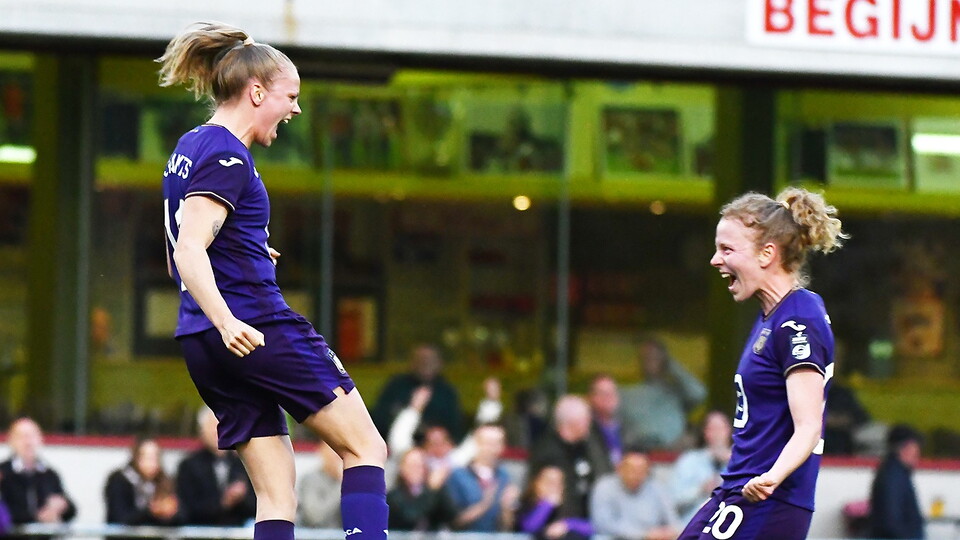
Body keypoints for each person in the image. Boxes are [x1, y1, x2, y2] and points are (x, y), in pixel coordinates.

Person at [158, 22, 388, 540]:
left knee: (276, 493)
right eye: (292, 96)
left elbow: (176, 258)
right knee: (366, 448)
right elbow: (190, 249)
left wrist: (244, 250)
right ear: (258, 93)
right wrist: (228, 320)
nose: (296, 109)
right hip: (253, 327)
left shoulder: (188, 147)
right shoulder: (228, 155)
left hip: (200, 339)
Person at [677, 187, 846, 540]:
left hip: (770, 500)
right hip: (736, 491)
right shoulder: (772, 316)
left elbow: (808, 427)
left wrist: (772, 477)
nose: (715, 260)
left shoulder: (798, 321)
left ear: (767, 253)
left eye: (727, 249)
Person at [528, 395, 612, 519]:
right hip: (560, 521)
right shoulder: (547, 452)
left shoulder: (587, 446)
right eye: (585, 419)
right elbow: (548, 496)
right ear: (571, 423)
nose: (590, 424)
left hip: (589, 518)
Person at [619, 337, 706, 450]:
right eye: (646, 357)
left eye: (655, 357)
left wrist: (670, 364)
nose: (650, 361)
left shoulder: (677, 393)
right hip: (640, 453)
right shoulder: (627, 394)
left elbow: (699, 393)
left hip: (675, 452)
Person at [175, 407, 256, 526]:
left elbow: (257, 505)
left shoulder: (243, 464)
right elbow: (187, 508)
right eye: (212, 426)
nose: (217, 431)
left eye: (221, 425)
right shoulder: (188, 466)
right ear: (201, 431)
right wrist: (224, 502)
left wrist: (241, 498)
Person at [372, 344, 465, 442]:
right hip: (394, 445)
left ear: (439, 363)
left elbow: (455, 428)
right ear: (412, 362)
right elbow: (380, 420)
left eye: (429, 360)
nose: (425, 364)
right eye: (421, 360)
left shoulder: (447, 392)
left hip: (436, 446)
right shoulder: (395, 386)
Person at [0, 418, 76, 528]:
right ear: (11, 441)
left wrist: (63, 506)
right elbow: (5, 513)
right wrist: (37, 517)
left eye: (32, 436)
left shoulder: (49, 474)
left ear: (40, 439)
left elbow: (70, 510)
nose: (28, 442)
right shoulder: (4, 473)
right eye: (21, 437)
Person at [590, 448, 680, 540]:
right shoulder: (604, 487)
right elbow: (603, 525)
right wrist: (644, 534)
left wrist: (669, 532)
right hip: (619, 537)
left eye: (641, 470)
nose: (636, 475)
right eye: (632, 469)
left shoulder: (657, 487)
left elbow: (673, 520)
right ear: (619, 468)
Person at [444, 424, 519, 531]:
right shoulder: (458, 475)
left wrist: (507, 509)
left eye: (498, 443)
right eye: (489, 443)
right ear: (477, 444)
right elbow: (452, 521)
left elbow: (507, 526)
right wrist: (485, 504)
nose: (494, 449)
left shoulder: (504, 476)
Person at [671, 411, 733, 521]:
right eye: (713, 428)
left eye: (721, 428)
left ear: (729, 431)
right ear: (705, 432)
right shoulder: (689, 460)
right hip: (694, 524)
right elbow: (674, 500)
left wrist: (733, 463)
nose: (717, 434)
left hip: (728, 523)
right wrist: (700, 490)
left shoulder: (739, 461)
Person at [105, 437, 181, 527]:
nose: (152, 463)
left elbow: (181, 517)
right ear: (136, 458)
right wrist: (151, 512)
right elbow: (120, 517)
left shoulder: (164, 481)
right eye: (148, 458)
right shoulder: (119, 481)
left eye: (156, 458)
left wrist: (170, 513)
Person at [868, 424, 925, 539]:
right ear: (904, 449)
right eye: (915, 448)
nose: (918, 454)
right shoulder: (893, 476)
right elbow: (891, 518)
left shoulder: (894, 472)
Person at [386, 447, 456, 531]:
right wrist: (431, 490)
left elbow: (452, 517)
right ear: (402, 469)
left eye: (421, 466)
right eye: (412, 466)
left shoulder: (435, 491)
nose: (417, 470)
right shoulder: (393, 496)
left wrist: (440, 487)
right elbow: (410, 517)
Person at [516, 465, 592, 540]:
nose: (554, 487)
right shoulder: (527, 503)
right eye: (550, 482)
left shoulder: (567, 505)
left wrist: (566, 525)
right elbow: (529, 528)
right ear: (537, 483)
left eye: (559, 483)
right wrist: (547, 505)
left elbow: (589, 528)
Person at [296, 441, 342, 529]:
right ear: (323, 453)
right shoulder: (311, 480)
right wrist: (342, 483)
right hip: (314, 533)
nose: (339, 459)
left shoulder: (354, 481)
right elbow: (315, 517)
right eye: (335, 455)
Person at [588, 374, 624, 465]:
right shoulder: (586, 430)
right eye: (603, 393)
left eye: (612, 392)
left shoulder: (628, 428)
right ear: (591, 397)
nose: (608, 397)